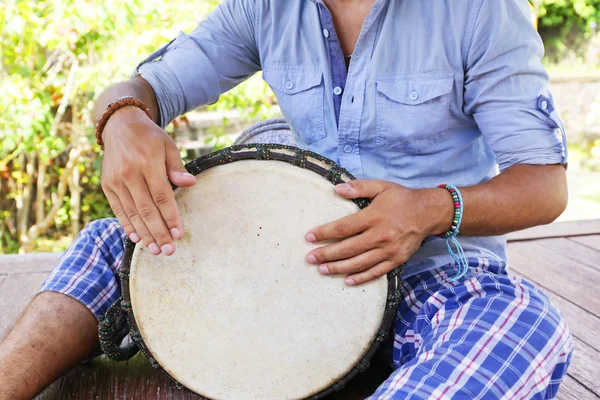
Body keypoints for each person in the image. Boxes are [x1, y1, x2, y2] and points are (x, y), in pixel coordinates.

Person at [0, 0, 573, 398]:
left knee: (523, 321)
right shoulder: (264, 7)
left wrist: (429, 210)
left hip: (428, 271)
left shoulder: (481, 11)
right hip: (293, 256)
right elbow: (149, 87)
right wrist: (121, 119)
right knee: (112, 243)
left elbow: (544, 185)